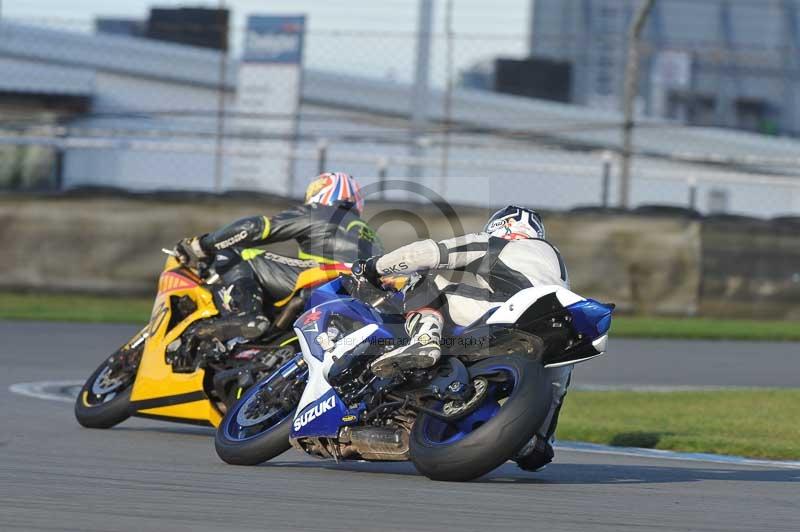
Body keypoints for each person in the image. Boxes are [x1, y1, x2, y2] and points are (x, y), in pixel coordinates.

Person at [352, 205, 570, 471]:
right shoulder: (556, 267)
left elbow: (430, 253)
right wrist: (537, 444)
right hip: (555, 331)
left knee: (427, 274)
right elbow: (554, 392)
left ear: (502, 227)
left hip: (507, 316)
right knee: (552, 400)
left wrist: (373, 267)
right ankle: (528, 441)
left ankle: (425, 339)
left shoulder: (499, 244)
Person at [171, 172, 382, 370]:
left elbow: (255, 228)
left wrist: (203, 244)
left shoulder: (322, 212)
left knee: (238, 252)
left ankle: (247, 316)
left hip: (325, 280)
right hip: (359, 298)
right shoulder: (371, 234)